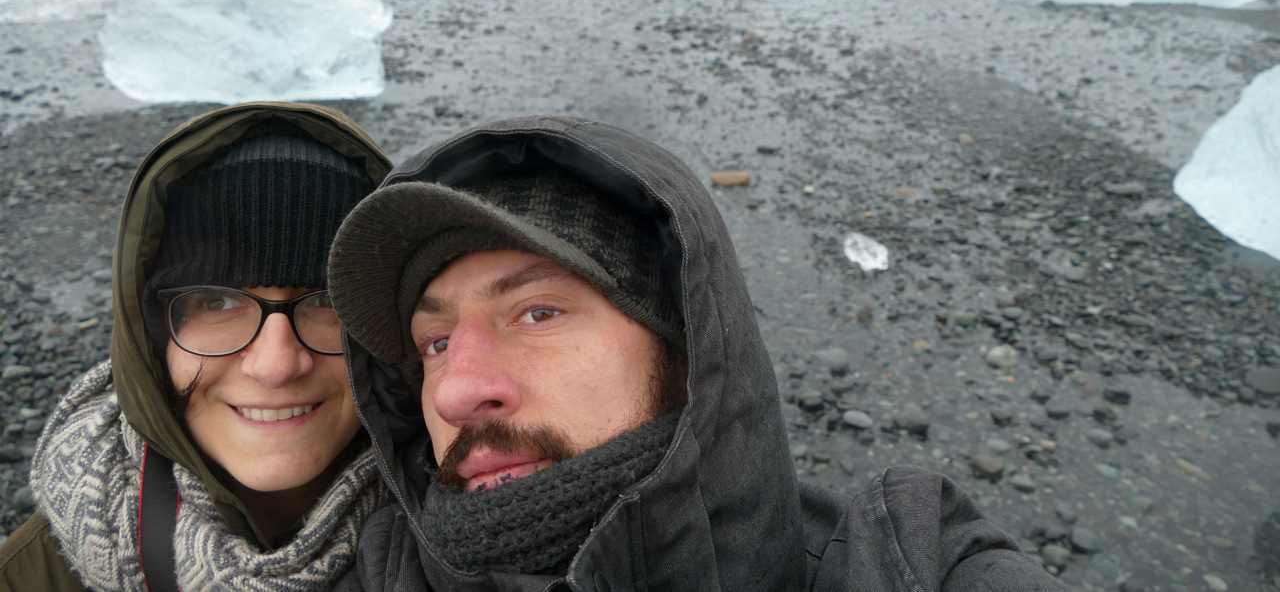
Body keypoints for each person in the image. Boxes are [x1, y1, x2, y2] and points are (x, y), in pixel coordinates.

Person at [328, 114, 1069, 591]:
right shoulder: (359, 567)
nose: (457, 392)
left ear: (688, 353)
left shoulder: (902, 563)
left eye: (538, 312)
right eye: (436, 342)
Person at [0, 102, 391, 592]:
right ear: (148, 338)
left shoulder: (471, 533)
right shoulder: (28, 576)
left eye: (327, 300)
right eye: (216, 301)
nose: (276, 365)